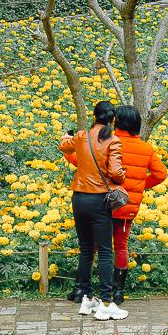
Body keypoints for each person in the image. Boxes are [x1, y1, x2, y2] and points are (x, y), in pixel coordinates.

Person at [60, 99, 128, 320]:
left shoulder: (81, 136)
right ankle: (106, 301)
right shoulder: (113, 140)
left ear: (95, 116)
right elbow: (116, 173)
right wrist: (122, 175)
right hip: (99, 199)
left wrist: (66, 137)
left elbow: (64, 146)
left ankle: (85, 295)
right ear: (112, 118)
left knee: (86, 248)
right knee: (106, 251)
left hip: (79, 197)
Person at [111, 105, 168, 307]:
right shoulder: (145, 148)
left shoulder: (109, 143)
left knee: (96, 246)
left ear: (116, 122)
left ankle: (92, 288)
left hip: (103, 202)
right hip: (127, 206)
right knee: (121, 246)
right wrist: (141, 184)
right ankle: (118, 291)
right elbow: (161, 174)